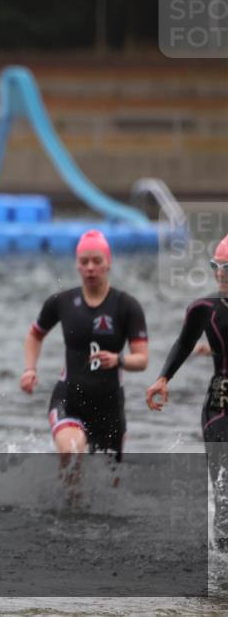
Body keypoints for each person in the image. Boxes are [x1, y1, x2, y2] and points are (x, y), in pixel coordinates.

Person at [20, 230, 149, 468]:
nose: (90, 267)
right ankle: (62, 503)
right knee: (72, 452)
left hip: (109, 408)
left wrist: (119, 360)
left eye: (97, 261)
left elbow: (142, 359)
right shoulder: (61, 302)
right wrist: (30, 369)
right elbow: (34, 335)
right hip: (69, 399)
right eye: (84, 262)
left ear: (108, 263)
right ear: (77, 266)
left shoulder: (127, 306)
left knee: (109, 487)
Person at [146, 233, 228, 551]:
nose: (220, 274)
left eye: (227, 267)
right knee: (223, 487)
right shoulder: (203, 308)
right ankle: (222, 566)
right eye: (215, 266)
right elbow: (183, 343)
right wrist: (163, 378)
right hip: (219, 407)